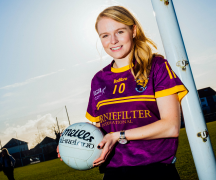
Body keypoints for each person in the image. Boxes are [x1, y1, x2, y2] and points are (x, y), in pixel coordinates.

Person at [58, 6, 188, 180]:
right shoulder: (98, 79)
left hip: (155, 171)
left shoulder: (156, 66)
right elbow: (102, 129)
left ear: (133, 31)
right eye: (105, 35)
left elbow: (170, 127)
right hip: (113, 174)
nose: (113, 40)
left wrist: (118, 136)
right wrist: (72, 141)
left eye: (119, 31)